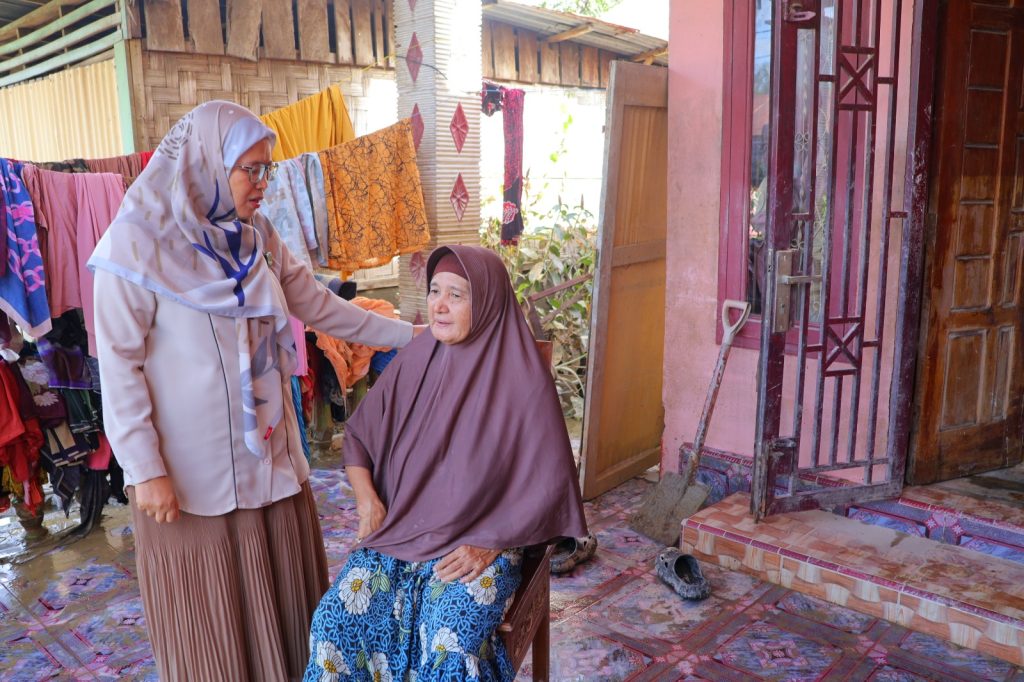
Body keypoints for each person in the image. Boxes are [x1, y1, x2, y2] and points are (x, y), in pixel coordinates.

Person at [89, 100, 420, 681]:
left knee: (286, 606)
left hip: (269, 459)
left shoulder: (256, 236)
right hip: (192, 480)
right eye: (252, 169)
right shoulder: (135, 246)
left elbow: (318, 305)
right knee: (213, 626)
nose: (264, 182)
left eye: (269, 168)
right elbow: (119, 367)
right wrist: (145, 469)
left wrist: (412, 337)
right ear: (206, 164)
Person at [304, 245, 589, 681]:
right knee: (334, 625)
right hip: (402, 531)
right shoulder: (417, 359)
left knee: (448, 642)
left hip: (480, 541)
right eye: (434, 291)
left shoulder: (523, 378)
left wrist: (494, 542)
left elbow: (551, 487)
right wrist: (367, 501)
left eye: (456, 296)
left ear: (487, 303)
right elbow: (360, 435)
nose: (438, 305)